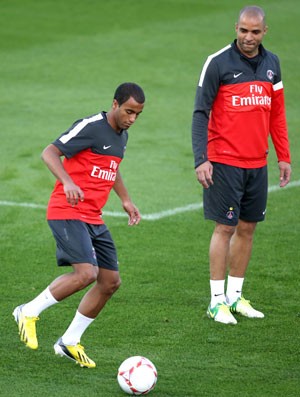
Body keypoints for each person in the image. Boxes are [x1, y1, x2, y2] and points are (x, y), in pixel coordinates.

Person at [13, 82, 145, 366]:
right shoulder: (90, 126)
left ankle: (69, 341)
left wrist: (125, 199)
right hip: (66, 210)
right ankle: (27, 311)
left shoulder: (121, 136)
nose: (132, 119)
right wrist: (68, 181)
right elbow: (49, 152)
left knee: (110, 282)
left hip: (93, 217)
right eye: (128, 111)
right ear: (115, 104)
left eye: (137, 114)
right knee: (86, 273)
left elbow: (113, 167)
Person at [192, 6, 291, 325]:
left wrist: (284, 155)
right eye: (243, 31)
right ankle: (216, 301)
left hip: (256, 163)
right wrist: (201, 158)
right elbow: (200, 113)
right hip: (223, 162)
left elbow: (277, 113)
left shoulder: (272, 64)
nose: (248, 37)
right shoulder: (217, 62)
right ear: (236, 28)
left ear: (265, 31)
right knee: (225, 227)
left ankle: (235, 297)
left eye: (255, 32)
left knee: (248, 228)